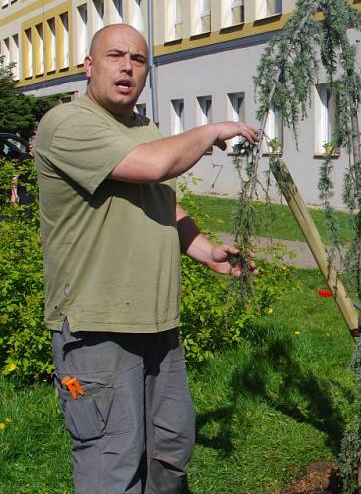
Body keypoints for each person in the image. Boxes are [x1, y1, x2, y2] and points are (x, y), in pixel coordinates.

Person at [35, 24, 258, 493]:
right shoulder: (68, 123)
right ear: (88, 65)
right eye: (116, 55)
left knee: (170, 449)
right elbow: (153, 167)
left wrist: (204, 249)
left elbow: (157, 198)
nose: (128, 67)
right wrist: (211, 129)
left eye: (138, 60)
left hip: (158, 325)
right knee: (111, 465)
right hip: (97, 329)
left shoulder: (142, 129)